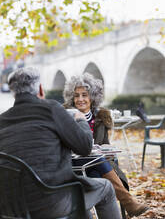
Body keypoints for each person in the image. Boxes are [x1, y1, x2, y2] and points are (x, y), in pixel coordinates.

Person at [0, 67, 122, 219]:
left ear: (13, 92)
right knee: (106, 188)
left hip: (8, 207)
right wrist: (80, 120)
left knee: (79, 192)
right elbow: (85, 147)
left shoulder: (2, 120)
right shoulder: (51, 109)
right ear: (40, 89)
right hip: (50, 203)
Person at [63, 72, 149, 218]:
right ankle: (129, 203)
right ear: (72, 97)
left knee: (98, 167)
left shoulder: (101, 117)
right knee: (99, 160)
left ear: (93, 96)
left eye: (84, 95)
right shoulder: (66, 114)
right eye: (76, 95)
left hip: (95, 166)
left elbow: (104, 144)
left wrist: (107, 150)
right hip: (73, 163)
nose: (80, 99)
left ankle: (122, 206)